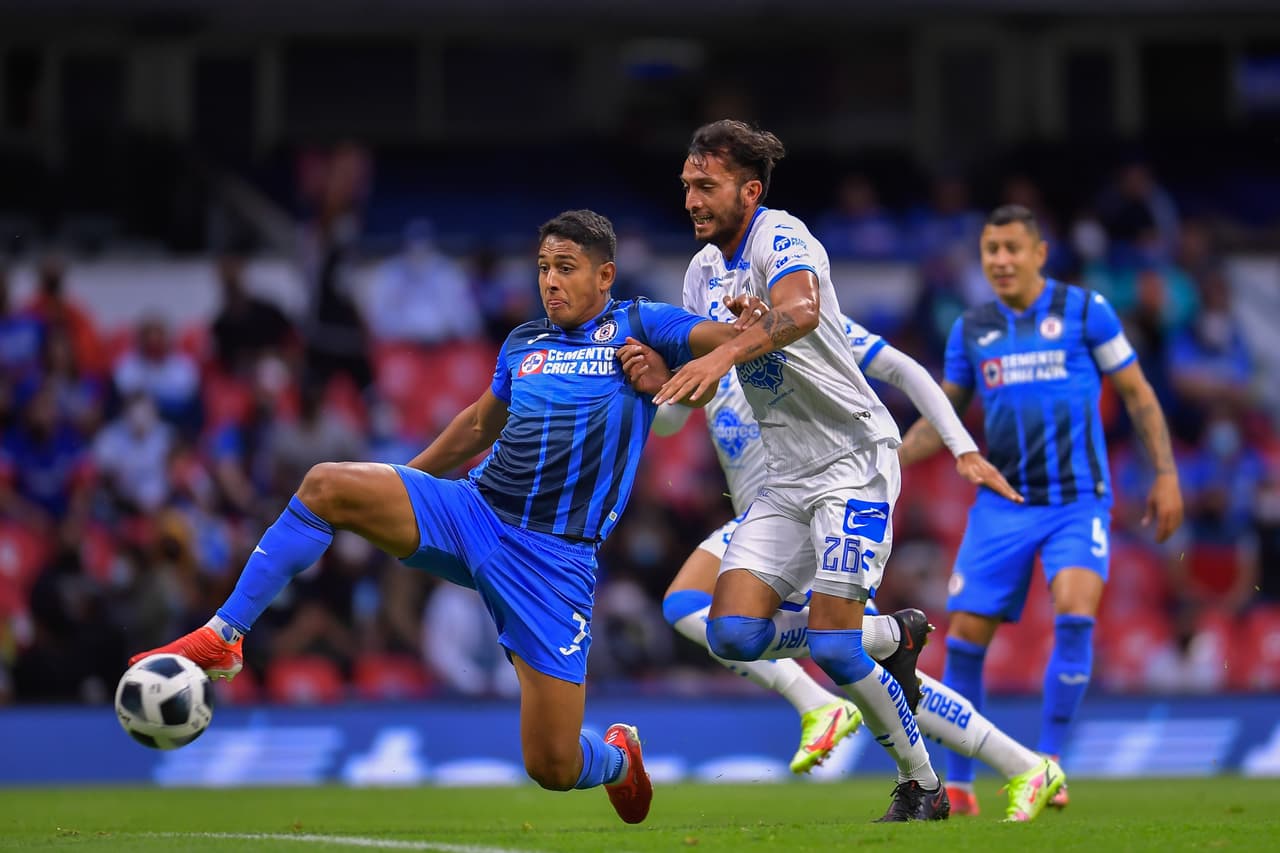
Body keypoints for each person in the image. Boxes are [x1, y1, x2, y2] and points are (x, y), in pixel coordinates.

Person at [131, 209, 744, 825]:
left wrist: (673, 377)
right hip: (475, 511)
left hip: (553, 562)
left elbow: (728, 354)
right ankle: (225, 636)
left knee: (553, 766)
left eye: (565, 268)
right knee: (327, 486)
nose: (550, 282)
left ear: (605, 275)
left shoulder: (641, 323)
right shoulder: (523, 343)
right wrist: (403, 485)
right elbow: (480, 424)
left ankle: (617, 758)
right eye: (542, 269)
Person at [626, 311, 1067, 821]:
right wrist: (653, 382)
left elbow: (907, 371)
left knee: (700, 607)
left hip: (826, 500)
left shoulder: (803, 321)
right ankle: (1022, 762)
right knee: (867, 663)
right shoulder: (708, 335)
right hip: (769, 521)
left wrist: (960, 447)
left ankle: (826, 698)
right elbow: (668, 421)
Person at [650, 119, 948, 822]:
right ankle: (893, 635)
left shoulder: (781, 234)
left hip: (854, 461)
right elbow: (697, 363)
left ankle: (923, 784)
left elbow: (801, 311)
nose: (691, 199)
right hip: (786, 476)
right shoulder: (699, 273)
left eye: (707, 186)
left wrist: (723, 353)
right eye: (687, 185)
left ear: (748, 190)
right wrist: (654, 378)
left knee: (835, 648)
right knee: (731, 633)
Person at [896, 203, 1185, 815]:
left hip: (1077, 502)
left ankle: (1047, 764)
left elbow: (1137, 392)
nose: (1000, 261)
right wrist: (887, 461)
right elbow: (943, 419)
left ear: (1038, 253)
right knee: (966, 637)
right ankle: (960, 785)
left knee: (1076, 613)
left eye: (1010, 249)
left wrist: (1164, 474)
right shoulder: (972, 327)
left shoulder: (1085, 311)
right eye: (989, 251)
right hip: (1002, 505)